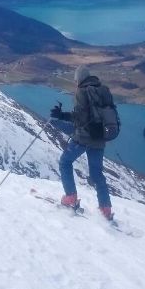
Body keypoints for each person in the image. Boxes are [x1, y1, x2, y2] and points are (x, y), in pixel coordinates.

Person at [49, 65, 114, 220]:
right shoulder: (103, 90)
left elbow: (79, 117)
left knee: (65, 162)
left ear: (79, 79)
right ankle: (105, 209)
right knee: (97, 174)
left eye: (75, 80)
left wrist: (61, 115)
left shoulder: (81, 92)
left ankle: (70, 197)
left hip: (83, 138)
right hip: (100, 139)